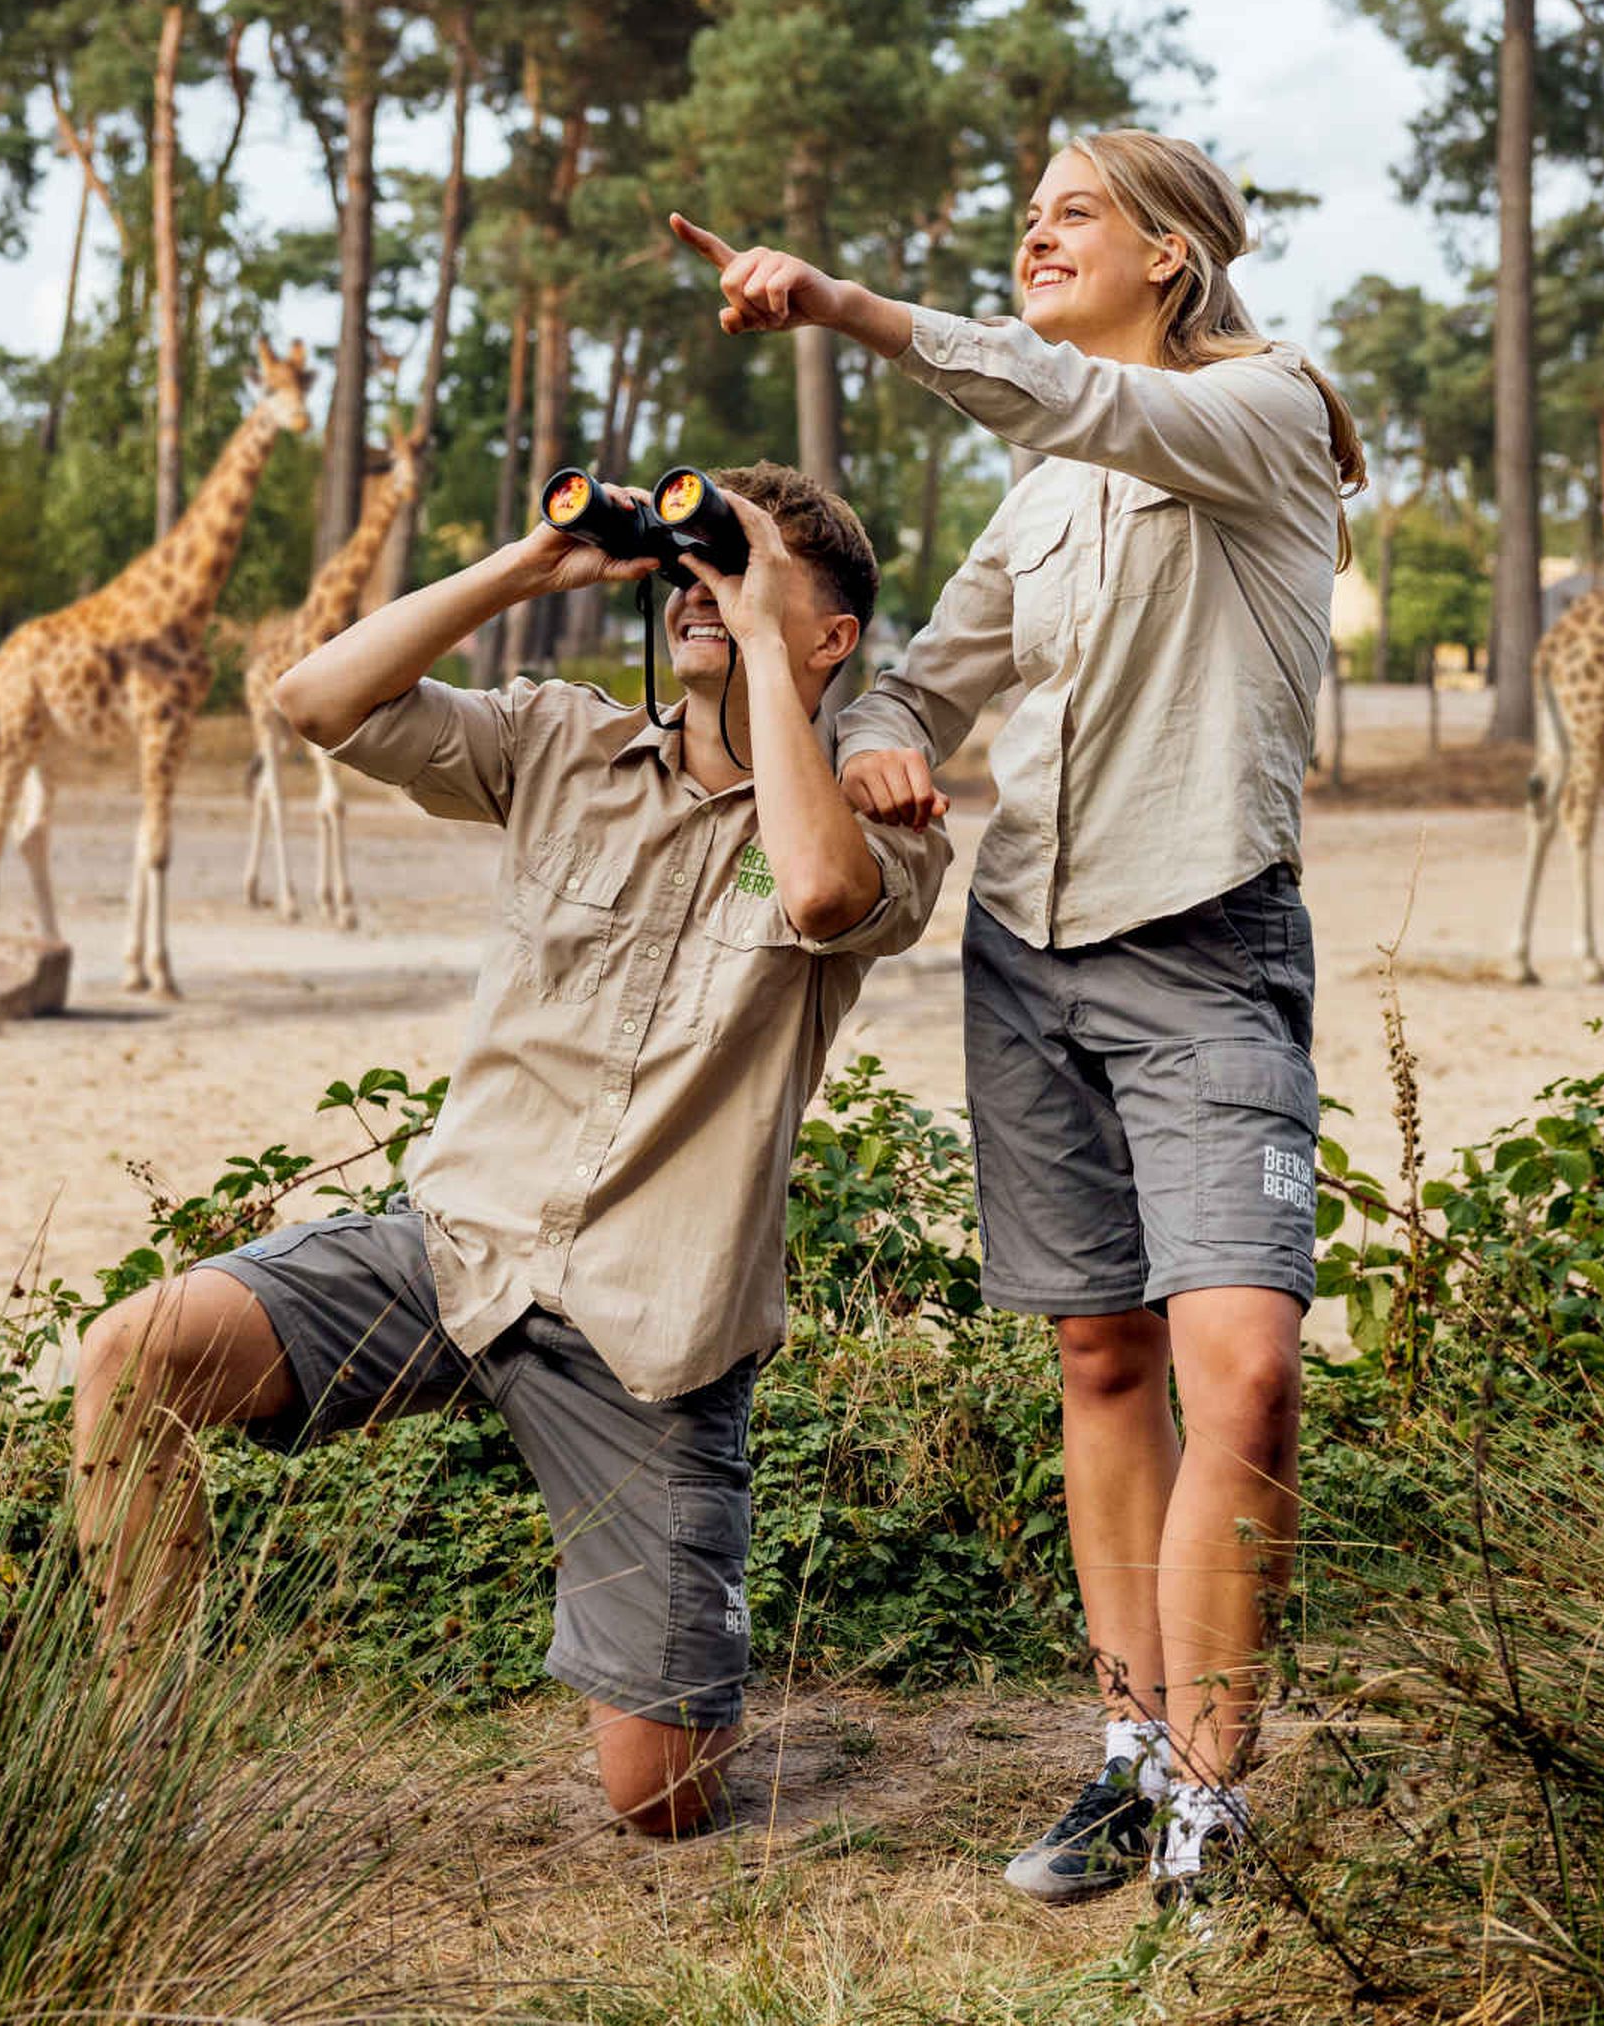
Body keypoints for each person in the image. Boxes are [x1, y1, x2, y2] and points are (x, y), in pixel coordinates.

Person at [669, 131, 1361, 1908]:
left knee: (1250, 1372)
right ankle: (1134, 1756)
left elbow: (1080, 400)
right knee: (1102, 1358)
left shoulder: (1266, 407)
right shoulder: (1044, 491)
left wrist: (846, 307)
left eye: (1072, 214)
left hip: (1207, 941)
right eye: (1028, 215)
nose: (1038, 233)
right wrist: (891, 724)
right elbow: (934, 661)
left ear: (1175, 257)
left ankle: (1221, 1786)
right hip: (1028, 952)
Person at [69, 462, 951, 1836]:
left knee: (659, 1797)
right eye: (699, 571)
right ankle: (145, 1758)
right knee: (138, 1356)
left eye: (754, 576)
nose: (706, 593)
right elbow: (314, 701)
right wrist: (528, 567)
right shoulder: (562, 744)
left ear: (832, 636)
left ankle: (660, 1656)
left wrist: (768, 617)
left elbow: (820, 889)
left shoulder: (871, 827)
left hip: (651, 1329)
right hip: (459, 1246)